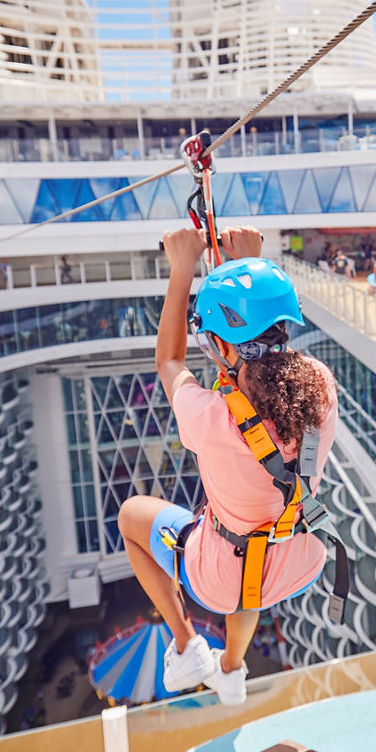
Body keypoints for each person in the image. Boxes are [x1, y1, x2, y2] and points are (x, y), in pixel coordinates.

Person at [118, 225, 339, 706]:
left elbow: (170, 362)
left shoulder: (209, 414)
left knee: (132, 516)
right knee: (249, 570)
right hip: (295, 556)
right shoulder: (319, 386)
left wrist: (182, 269)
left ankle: (185, 647)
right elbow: (262, 364)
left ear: (222, 347)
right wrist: (250, 271)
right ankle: (231, 671)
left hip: (220, 573)